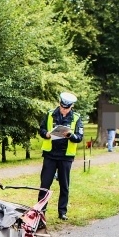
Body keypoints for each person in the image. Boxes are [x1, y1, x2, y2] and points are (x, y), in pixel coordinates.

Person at [38, 92, 84, 221]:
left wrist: (70, 135)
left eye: (67, 108)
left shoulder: (76, 118)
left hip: (66, 156)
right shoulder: (50, 114)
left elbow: (79, 137)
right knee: (44, 185)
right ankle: (41, 212)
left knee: (64, 185)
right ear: (59, 103)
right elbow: (41, 130)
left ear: (72, 106)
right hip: (50, 155)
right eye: (62, 107)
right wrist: (46, 134)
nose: (64, 110)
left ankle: (62, 212)